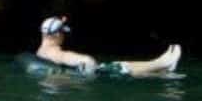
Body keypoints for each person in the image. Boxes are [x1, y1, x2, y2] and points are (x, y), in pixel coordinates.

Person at [34, 14, 180, 75]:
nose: (64, 36)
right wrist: (88, 62)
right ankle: (163, 63)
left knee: (111, 68)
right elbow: (85, 61)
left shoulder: (42, 50)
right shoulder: (55, 52)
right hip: (85, 78)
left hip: (66, 76)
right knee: (116, 67)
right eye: (63, 33)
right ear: (57, 34)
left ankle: (160, 68)